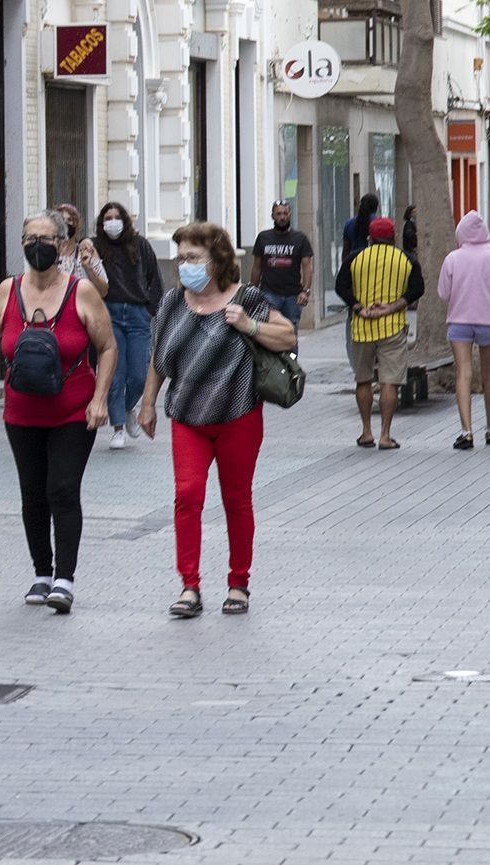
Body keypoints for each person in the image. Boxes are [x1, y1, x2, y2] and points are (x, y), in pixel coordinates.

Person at [136, 221, 296, 619]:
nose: (183, 264)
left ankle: (238, 583)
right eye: (180, 257)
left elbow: (288, 337)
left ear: (217, 258)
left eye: (193, 257)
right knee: (187, 496)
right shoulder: (173, 302)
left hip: (237, 414)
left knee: (236, 501)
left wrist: (249, 325)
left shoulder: (247, 298)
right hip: (187, 416)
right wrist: (148, 402)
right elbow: (160, 355)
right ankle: (189, 586)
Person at [0, 210, 117, 615]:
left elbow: (108, 347)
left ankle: (64, 579)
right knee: (33, 494)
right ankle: (41, 573)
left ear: (63, 244)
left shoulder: (80, 292)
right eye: (30, 238)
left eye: (46, 239)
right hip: (21, 412)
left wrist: (100, 398)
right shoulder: (7, 290)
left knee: (62, 490)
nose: (37, 246)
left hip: (73, 412)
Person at [335, 216, 424, 450]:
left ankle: (366, 432)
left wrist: (358, 307)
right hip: (392, 327)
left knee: (363, 379)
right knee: (389, 382)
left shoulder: (355, 258)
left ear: (369, 238)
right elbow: (418, 288)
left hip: (362, 328)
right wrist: (394, 306)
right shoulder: (406, 259)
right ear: (394, 237)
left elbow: (340, 286)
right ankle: (385, 435)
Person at [85, 201, 161, 450]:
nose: (112, 222)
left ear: (125, 221)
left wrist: (151, 310)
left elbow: (154, 279)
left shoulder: (140, 246)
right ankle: (118, 427)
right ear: (101, 222)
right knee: (115, 376)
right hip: (109, 314)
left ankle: (128, 408)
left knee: (138, 374)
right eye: (108, 218)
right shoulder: (96, 246)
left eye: (117, 217)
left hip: (138, 314)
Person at [437, 210, 490, 449]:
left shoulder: (452, 259)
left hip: (459, 321)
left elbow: (443, 293)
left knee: (463, 373)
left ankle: (466, 431)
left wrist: (457, 299)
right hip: (488, 322)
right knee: (489, 375)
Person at [249, 200, 314, 337]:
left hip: (293, 296)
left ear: (290, 214)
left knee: (291, 333)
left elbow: (307, 266)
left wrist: (305, 291)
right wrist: (253, 291)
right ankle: (271, 359)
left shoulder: (300, 239)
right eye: (278, 214)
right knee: (268, 332)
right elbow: (256, 267)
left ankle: (291, 358)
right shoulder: (263, 238)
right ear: (272, 216)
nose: (282, 217)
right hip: (269, 294)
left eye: (285, 213)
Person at [53, 203, 108, 296]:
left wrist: (88, 267)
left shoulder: (87, 251)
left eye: (70, 220)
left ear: (77, 225)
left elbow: (103, 291)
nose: (65, 223)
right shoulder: (50, 252)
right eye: (61, 220)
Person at [342, 193, 380, 263]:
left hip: (353, 262)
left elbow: (346, 250)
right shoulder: (378, 223)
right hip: (371, 262)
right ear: (376, 208)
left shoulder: (349, 224)